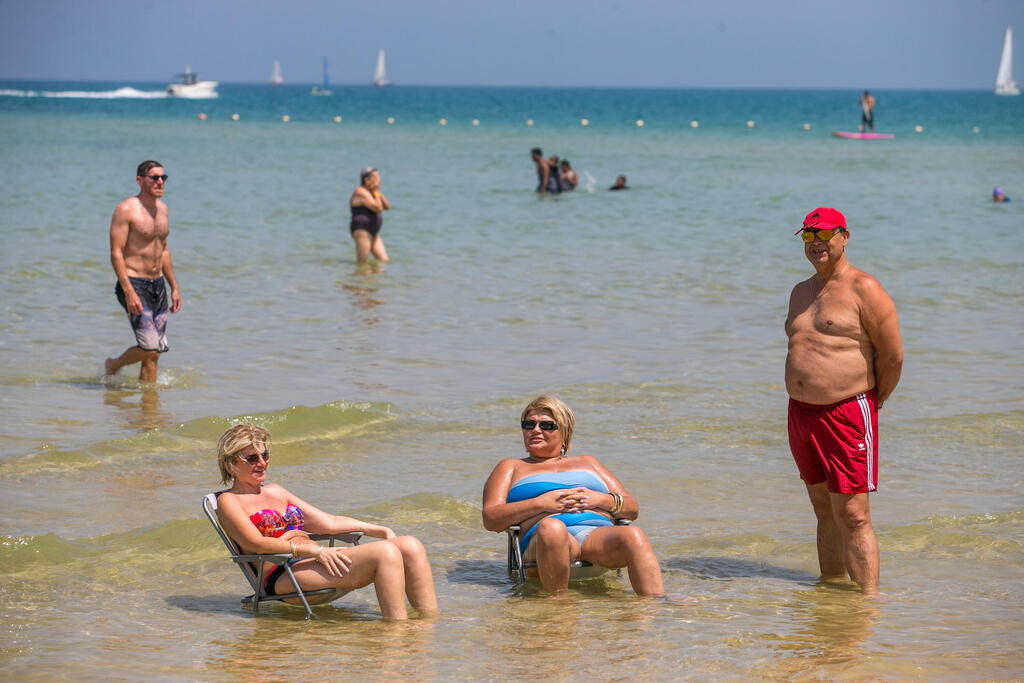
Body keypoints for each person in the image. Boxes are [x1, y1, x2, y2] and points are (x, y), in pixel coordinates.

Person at [785, 207, 903, 595]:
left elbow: (892, 357)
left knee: (852, 514)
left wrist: (875, 400)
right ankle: (831, 596)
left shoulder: (864, 288)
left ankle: (867, 603)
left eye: (824, 234)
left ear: (844, 236)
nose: (815, 243)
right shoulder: (800, 292)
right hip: (801, 413)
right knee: (823, 509)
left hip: (847, 410)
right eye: (808, 236)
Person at [214, 424, 438, 619]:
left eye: (265, 455)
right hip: (282, 573)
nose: (262, 463)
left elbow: (328, 522)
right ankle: (396, 633)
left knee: (411, 545)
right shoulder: (229, 501)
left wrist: (380, 530)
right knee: (385, 553)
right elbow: (256, 544)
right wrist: (315, 551)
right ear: (231, 464)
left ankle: (428, 625)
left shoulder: (276, 491)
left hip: (314, 561)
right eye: (252, 458)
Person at [482, 395, 664, 596]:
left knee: (633, 534)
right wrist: (540, 504)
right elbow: (491, 518)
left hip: (596, 538)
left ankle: (656, 605)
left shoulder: (588, 462)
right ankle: (559, 607)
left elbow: (631, 508)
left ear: (565, 432)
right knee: (553, 528)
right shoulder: (511, 466)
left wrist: (601, 499)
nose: (535, 430)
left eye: (546, 425)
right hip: (543, 541)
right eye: (529, 424)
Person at [104, 160, 181, 383]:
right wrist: (128, 291)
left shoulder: (163, 210)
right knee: (150, 347)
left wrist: (174, 287)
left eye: (163, 178)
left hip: (158, 284)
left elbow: (163, 250)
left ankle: (148, 401)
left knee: (154, 354)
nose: (160, 182)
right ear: (140, 180)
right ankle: (114, 364)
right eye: (154, 178)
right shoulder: (126, 210)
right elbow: (116, 253)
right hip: (134, 283)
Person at [349, 167, 390, 264]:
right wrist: (376, 193)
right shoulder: (361, 192)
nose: (379, 180)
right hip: (362, 231)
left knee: (384, 261)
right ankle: (360, 275)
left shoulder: (373, 192)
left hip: (373, 232)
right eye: (376, 177)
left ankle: (374, 274)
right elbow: (378, 208)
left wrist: (377, 192)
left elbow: (387, 207)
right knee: (363, 264)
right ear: (366, 180)